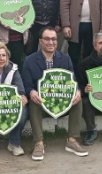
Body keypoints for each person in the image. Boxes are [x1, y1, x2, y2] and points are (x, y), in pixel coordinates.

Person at [21, 27, 88, 160]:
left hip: (61, 102)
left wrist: (78, 92)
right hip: (42, 104)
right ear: (40, 41)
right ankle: (39, 143)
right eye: (47, 39)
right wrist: (32, 92)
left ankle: (72, 140)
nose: (51, 42)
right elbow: (27, 85)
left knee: (78, 99)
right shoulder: (29, 60)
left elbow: (73, 81)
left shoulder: (65, 59)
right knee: (35, 101)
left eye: (53, 39)